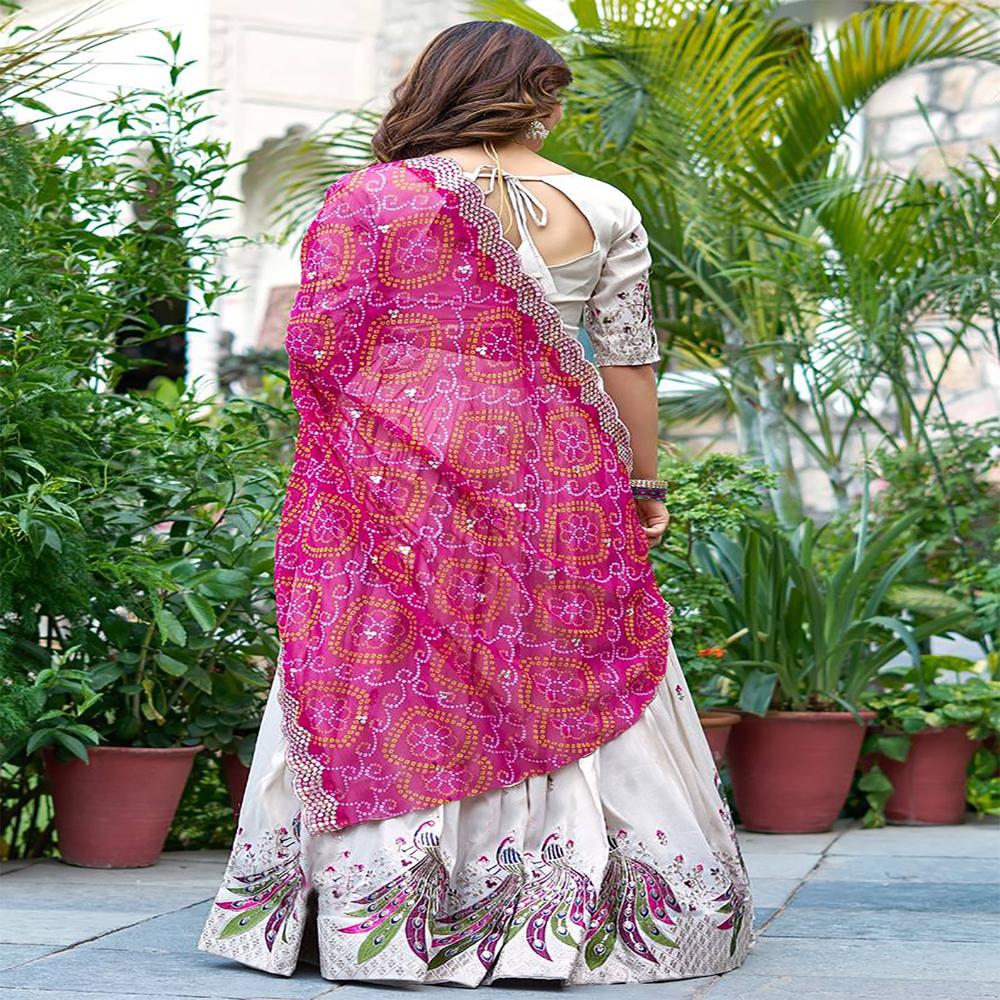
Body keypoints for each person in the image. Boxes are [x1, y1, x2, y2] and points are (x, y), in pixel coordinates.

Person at [198, 19, 754, 988]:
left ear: (437, 90)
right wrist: (643, 481)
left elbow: (318, 348)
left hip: (401, 466)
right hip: (559, 464)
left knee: (398, 658)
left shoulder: (373, 197)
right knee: (564, 651)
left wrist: (355, 453)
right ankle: (584, 915)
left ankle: (393, 915)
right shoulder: (601, 201)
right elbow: (627, 359)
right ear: (537, 98)